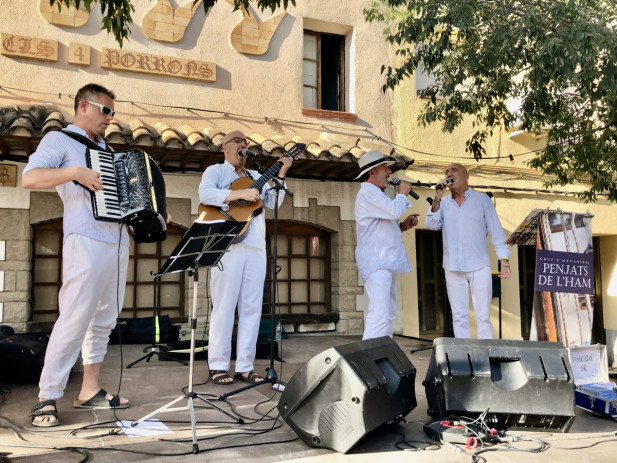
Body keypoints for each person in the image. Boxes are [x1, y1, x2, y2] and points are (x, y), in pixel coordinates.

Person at [22, 84, 130, 427]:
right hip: (85, 238)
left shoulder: (108, 150)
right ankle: (47, 396)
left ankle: (89, 390)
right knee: (73, 319)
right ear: (84, 105)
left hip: (117, 241)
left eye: (113, 113)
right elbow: (30, 178)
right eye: (106, 111)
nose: (111, 119)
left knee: (104, 320)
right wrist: (74, 172)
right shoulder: (59, 141)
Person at [198, 130, 292, 385]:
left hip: (256, 247)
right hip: (227, 245)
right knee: (224, 307)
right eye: (238, 141)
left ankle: (245, 367)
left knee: (252, 308)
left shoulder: (257, 176)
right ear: (225, 148)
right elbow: (205, 194)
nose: (243, 144)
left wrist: (281, 172)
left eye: (245, 142)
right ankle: (218, 366)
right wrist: (240, 195)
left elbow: (274, 202)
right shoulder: (216, 171)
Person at [425, 163, 511, 339]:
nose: (449, 174)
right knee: (459, 317)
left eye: (454, 171)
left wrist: (504, 259)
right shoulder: (444, 203)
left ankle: (486, 355)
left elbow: (496, 230)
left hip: (479, 265)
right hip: (452, 266)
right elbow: (431, 225)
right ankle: (465, 358)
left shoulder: (482, 200)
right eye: (446, 171)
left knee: (483, 316)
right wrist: (437, 197)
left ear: (466, 176)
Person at [354, 150, 419, 340]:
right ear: (373, 172)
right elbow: (392, 211)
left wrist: (401, 227)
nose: (390, 172)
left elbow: (380, 228)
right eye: (386, 168)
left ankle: (385, 355)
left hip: (385, 261)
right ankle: (368, 362)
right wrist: (402, 194)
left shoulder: (376, 194)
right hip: (377, 261)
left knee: (388, 313)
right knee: (379, 314)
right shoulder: (368, 193)